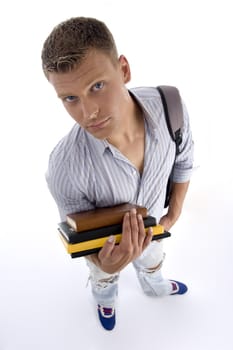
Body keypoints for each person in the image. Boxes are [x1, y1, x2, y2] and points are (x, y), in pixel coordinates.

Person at [41, 16, 194, 331]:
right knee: (103, 279)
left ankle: (154, 285)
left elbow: (184, 159)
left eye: (97, 86)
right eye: (70, 98)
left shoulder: (171, 106)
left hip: (154, 230)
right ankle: (105, 299)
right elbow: (79, 237)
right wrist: (104, 264)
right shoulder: (64, 166)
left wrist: (172, 214)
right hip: (107, 246)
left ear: (123, 69)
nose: (88, 113)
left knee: (153, 261)